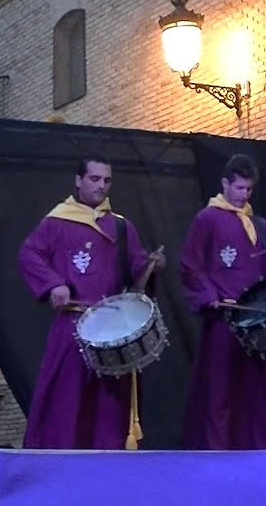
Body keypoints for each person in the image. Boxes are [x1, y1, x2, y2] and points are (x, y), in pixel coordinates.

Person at [18, 154, 165, 449]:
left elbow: (136, 269)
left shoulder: (122, 226)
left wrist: (151, 266)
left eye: (107, 180)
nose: (101, 186)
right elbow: (28, 255)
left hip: (113, 327)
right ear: (79, 180)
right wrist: (53, 284)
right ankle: (60, 462)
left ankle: (108, 461)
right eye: (94, 179)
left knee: (110, 405)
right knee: (66, 400)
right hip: (72, 324)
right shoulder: (57, 221)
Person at [179, 154, 266, 449]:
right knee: (221, 391)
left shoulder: (261, 225)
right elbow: (190, 265)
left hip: (258, 321)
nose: (244, 195)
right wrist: (209, 296)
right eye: (239, 188)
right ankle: (220, 453)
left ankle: (262, 452)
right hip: (225, 320)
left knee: (259, 389)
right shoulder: (207, 219)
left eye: (249, 189)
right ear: (225, 184)